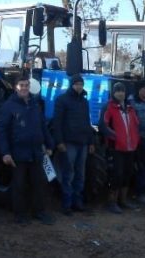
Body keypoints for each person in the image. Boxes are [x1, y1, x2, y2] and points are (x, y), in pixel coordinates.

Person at [0, 75, 56, 225]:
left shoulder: (35, 105)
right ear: (15, 87)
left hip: (36, 152)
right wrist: (5, 152)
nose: (24, 88)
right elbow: (2, 131)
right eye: (21, 85)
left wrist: (50, 145)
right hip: (19, 153)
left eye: (26, 85)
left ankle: (39, 212)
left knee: (39, 183)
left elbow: (43, 127)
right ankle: (20, 215)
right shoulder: (8, 106)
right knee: (19, 185)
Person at [52, 74, 95, 215]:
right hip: (69, 142)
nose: (79, 87)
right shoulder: (62, 100)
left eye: (81, 84)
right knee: (68, 174)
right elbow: (57, 122)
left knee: (80, 174)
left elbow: (87, 122)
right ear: (72, 85)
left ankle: (78, 202)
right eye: (77, 84)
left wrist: (91, 142)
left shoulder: (84, 102)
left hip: (83, 143)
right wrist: (59, 141)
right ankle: (67, 204)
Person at [99, 82, 140, 214]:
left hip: (130, 147)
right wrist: (116, 137)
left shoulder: (130, 107)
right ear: (113, 92)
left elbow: (136, 124)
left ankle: (123, 200)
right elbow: (103, 126)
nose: (121, 93)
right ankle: (112, 202)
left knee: (128, 173)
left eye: (122, 91)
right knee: (116, 174)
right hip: (116, 147)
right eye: (118, 91)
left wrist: (136, 139)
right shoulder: (108, 107)